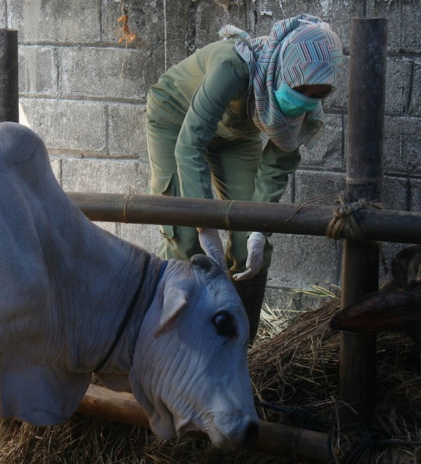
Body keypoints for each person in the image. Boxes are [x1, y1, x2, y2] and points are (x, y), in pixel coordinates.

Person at [145, 14, 344, 343]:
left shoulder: (304, 105)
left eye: (315, 94)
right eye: (299, 90)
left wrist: (258, 231)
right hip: (175, 117)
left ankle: (238, 344)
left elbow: (276, 166)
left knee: (249, 238)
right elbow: (190, 144)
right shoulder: (231, 66)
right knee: (184, 235)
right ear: (285, 70)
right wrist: (204, 224)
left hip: (235, 133)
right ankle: (179, 344)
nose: (303, 100)